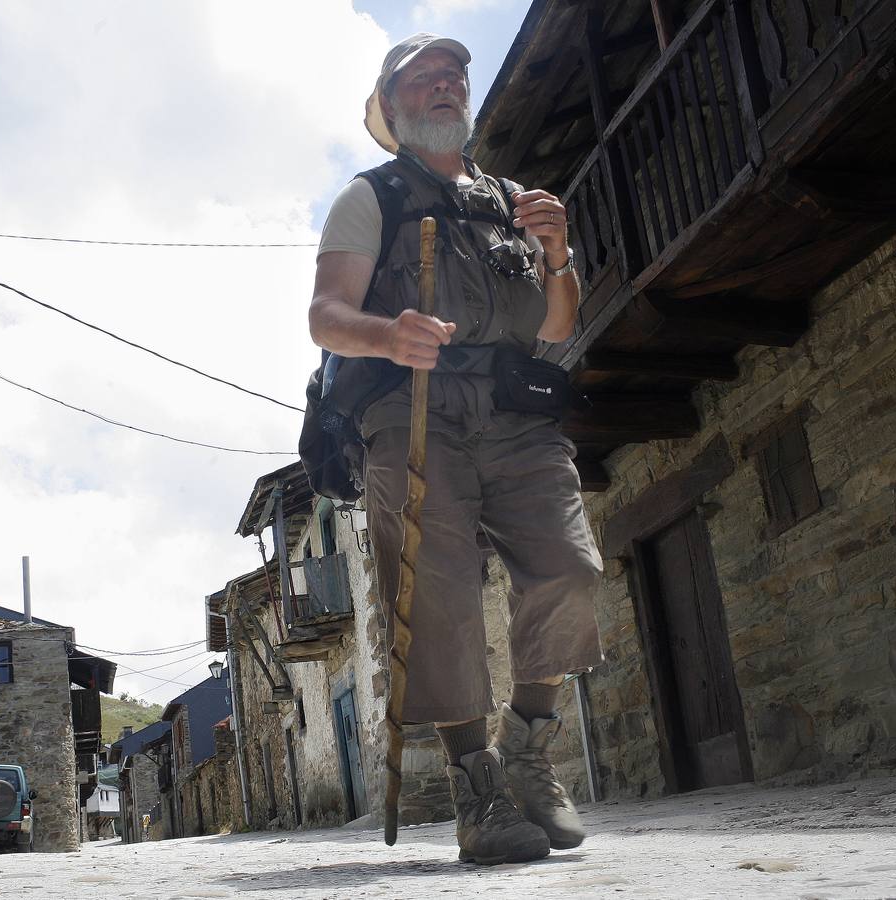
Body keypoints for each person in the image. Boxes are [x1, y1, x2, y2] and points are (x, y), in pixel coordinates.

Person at [307, 33, 603, 866]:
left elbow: (554, 324)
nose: (445, 86)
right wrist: (387, 335)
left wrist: (559, 255)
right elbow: (327, 316)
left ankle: (528, 751)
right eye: (424, 78)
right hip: (413, 413)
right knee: (437, 599)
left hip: (515, 412)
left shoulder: (515, 200)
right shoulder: (370, 199)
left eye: (455, 76)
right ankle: (478, 790)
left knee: (570, 570)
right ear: (393, 104)